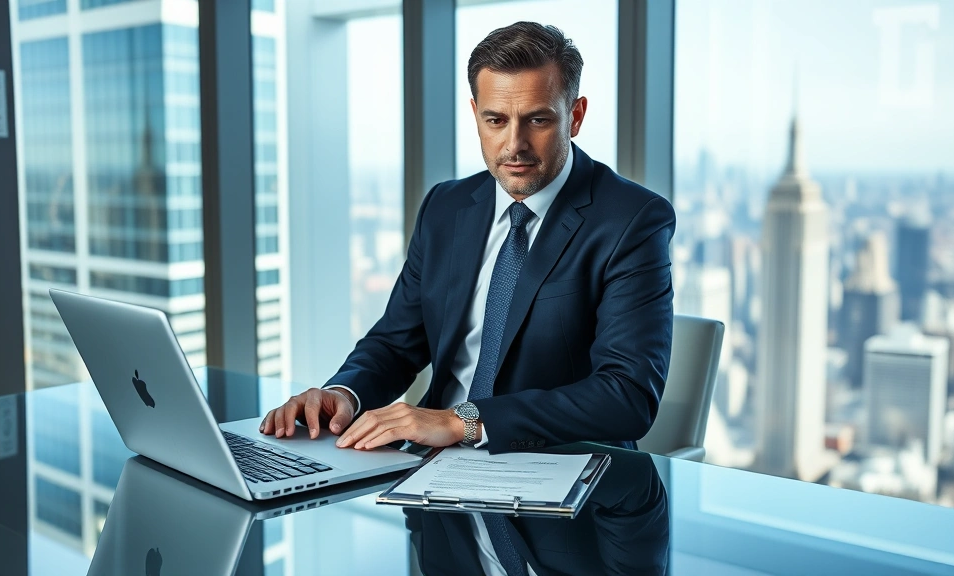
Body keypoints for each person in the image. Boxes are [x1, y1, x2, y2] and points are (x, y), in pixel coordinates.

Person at [261, 21, 674, 575]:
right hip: (434, 495)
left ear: (575, 116)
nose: (514, 145)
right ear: (475, 113)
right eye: (496, 120)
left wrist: (464, 421)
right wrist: (344, 394)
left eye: (538, 120)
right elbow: (396, 341)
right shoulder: (447, 206)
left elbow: (627, 395)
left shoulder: (632, 220)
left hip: (565, 504)